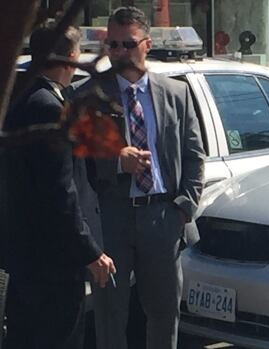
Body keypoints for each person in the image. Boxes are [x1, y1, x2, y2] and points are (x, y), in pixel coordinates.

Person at [74, 7, 206, 349]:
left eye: (127, 44)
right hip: (112, 218)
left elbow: (194, 155)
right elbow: (78, 162)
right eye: (112, 45)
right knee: (110, 315)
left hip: (162, 216)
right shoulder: (91, 96)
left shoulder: (175, 94)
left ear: (146, 44)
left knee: (164, 314)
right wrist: (118, 162)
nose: (118, 53)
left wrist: (184, 209)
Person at [2, 24, 116, 349]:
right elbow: (60, 194)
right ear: (70, 58)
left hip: (21, 256)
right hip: (52, 262)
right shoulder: (50, 109)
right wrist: (91, 252)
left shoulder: (18, 98)